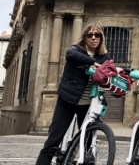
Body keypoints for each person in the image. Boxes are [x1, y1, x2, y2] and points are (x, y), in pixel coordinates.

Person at [36, 24, 111, 165]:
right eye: (90, 35)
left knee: (88, 143)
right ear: (84, 37)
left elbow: (112, 68)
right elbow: (71, 55)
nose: (93, 38)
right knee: (53, 141)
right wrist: (93, 63)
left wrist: (129, 73)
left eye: (97, 35)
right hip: (67, 102)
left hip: (88, 105)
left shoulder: (104, 56)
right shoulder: (76, 49)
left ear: (101, 38)